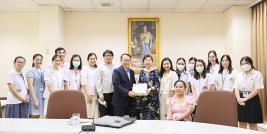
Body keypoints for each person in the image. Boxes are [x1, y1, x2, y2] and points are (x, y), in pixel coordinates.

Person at [233, 56, 264, 130]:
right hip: (240, 100)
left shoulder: (257, 74)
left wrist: (245, 99)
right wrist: (238, 99)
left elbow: (257, 89)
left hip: (252, 99)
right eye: (242, 64)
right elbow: (236, 88)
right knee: (241, 124)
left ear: (251, 63)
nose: (244, 65)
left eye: (246, 63)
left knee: (252, 124)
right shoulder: (239, 75)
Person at [137, 55, 160, 120]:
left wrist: (151, 88)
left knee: (153, 116)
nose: (148, 61)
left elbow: (158, 83)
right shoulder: (142, 72)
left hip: (153, 98)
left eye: (149, 60)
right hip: (144, 97)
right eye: (146, 60)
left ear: (152, 62)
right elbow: (140, 82)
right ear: (143, 62)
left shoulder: (155, 71)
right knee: (145, 115)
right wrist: (137, 88)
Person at [96, 50, 117, 117]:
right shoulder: (100, 67)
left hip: (114, 94)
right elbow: (97, 81)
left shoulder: (116, 67)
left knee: (112, 113)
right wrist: (100, 93)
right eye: (106, 56)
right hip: (104, 94)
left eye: (110, 56)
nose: (108, 57)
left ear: (112, 57)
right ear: (104, 57)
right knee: (104, 113)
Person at [26, 54, 45, 118]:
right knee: (34, 114)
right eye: (37, 59)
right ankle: (30, 128)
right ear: (33, 60)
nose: (39, 61)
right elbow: (30, 85)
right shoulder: (30, 71)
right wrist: (35, 100)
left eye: (40, 60)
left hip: (42, 96)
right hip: (34, 95)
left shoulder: (43, 70)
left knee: (38, 115)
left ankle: (35, 127)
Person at [82, 53, 99, 118]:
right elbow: (83, 82)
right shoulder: (85, 68)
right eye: (91, 59)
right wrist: (87, 95)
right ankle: (89, 126)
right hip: (89, 93)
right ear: (88, 60)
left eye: (94, 59)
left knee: (96, 113)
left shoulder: (97, 68)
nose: (93, 60)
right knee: (89, 112)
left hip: (96, 93)